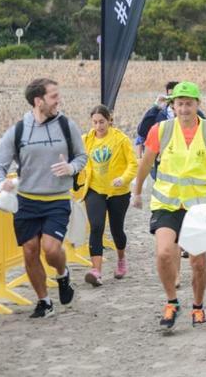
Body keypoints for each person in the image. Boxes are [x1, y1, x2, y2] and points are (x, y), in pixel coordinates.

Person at [132, 81, 206, 331]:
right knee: (164, 253)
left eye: (189, 103)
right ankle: (172, 302)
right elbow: (145, 163)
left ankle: (198, 306)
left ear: (198, 104)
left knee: (198, 263)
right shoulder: (161, 130)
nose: (184, 109)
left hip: (200, 207)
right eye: (179, 104)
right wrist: (137, 192)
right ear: (172, 106)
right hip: (167, 202)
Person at [0, 78, 87, 318]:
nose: (58, 100)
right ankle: (44, 301)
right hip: (26, 201)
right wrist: (1, 184)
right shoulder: (19, 130)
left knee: (51, 250)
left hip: (57, 199)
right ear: (38, 101)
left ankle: (62, 274)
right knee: (30, 251)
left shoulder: (67, 125)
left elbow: (82, 157)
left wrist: (71, 168)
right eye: (53, 96)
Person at [78, 105, 138, 287]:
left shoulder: (121, 139)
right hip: (95, 189)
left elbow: (133, 164)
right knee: (96, 226)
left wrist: (124, 178)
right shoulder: (86, 140)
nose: (98, 126)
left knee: (116, 229)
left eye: (102, 122)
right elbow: (77, 157)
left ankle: (121, 259)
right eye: (95, 122)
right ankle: (96, 271)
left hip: (118, 192)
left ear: (109, 120)